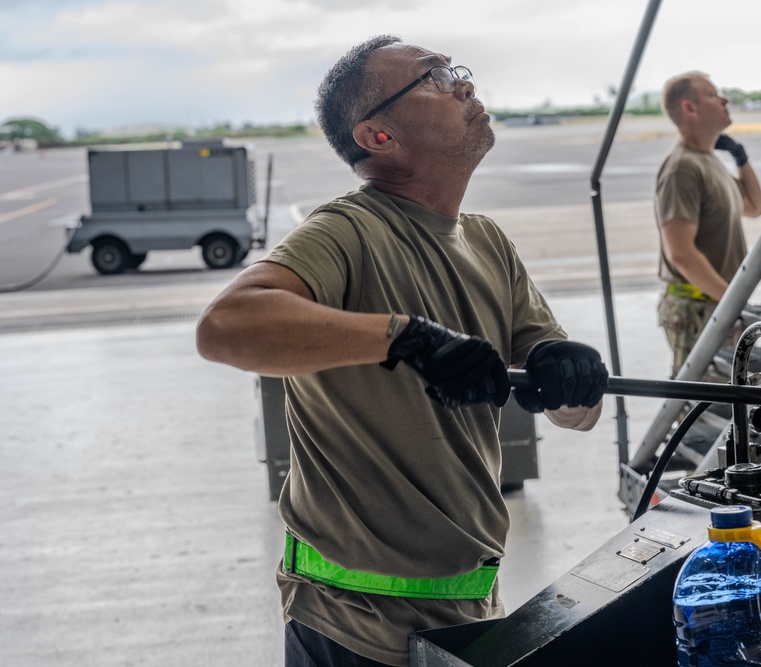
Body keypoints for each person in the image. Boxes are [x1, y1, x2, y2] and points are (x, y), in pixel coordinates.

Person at [195, 35, 608, 667]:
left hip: (468, 612)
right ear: (378, 136)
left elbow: (571, 415)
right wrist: (401, 337)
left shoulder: (487, 241)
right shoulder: (348, 230)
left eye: (457, 71)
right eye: (435, 78)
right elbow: (225, 326)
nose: (464, 85)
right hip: (353, 627)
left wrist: (571, 374)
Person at [654, 71, 761, 379]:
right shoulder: (682, 168)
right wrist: (732, 301)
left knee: (728, 401)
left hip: (713, 301)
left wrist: (740, 157)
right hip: (696, 307)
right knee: (699, 407)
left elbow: (754, 207)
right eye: (713, 94)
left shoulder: (708, 161)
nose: (725, 100)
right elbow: (680, 253)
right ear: (690, 108)